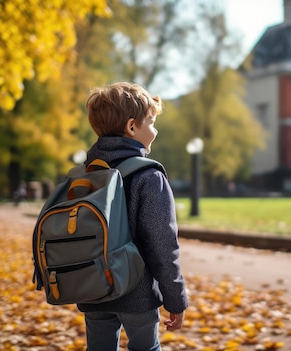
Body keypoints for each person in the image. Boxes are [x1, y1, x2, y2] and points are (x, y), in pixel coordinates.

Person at [79, 82, 188, 351]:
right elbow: (163, 245)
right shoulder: (148, 177)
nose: (155, 129)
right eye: (151, 122)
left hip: (92, 288)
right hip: (135, 293)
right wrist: (175, 299)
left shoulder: (86, 175)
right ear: (131, 127)